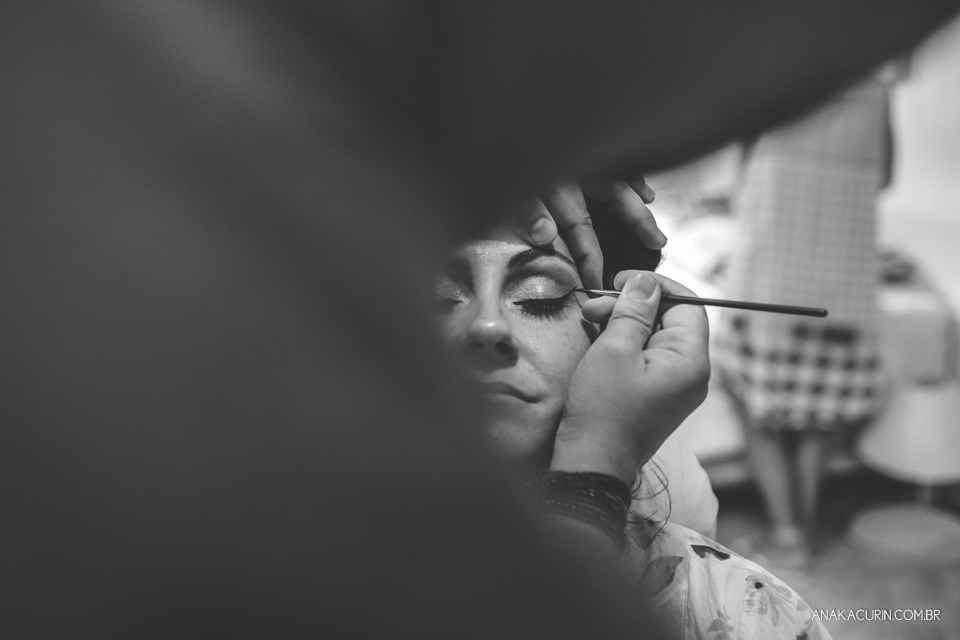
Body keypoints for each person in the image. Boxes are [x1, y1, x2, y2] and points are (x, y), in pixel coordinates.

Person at [436, 217, 831, 639]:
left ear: (608, 337)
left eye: (540, 298)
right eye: (438, 299)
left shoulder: (747, 614)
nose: (488, 325)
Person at [713, 72, 895, 567]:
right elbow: (883, 177)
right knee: (819, 414)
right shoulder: (876, 85)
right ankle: (805, 528)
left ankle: (787, 535)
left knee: (755, 407)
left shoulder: (780, 74)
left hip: (772, 280)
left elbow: (744, 177)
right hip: (842, 285)